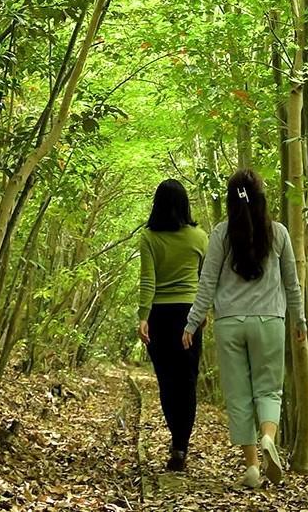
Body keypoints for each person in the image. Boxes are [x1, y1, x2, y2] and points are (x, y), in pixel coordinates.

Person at [182, 168, 307, 489]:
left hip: (229, 324)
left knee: (239, 395)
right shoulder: (278, 233)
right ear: (262, 199)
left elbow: (207, 283)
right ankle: (268, 437)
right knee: (268, 390)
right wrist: (300, 319)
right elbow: (292, 284)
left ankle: (252, 466)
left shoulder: (221, 234)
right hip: (269, 322)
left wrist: (192, 323)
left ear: (230, 200)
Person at [136, 178, 209, 472]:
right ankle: (181, 444)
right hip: (190, 315)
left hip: (160, 316)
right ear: (184, 204)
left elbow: (148, 280)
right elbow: (206, 280)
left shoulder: (149, 238)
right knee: (187, 380)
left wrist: (143, 316)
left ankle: (176, 440)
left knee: (167, 381)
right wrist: (202, 311)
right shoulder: (200, 237)